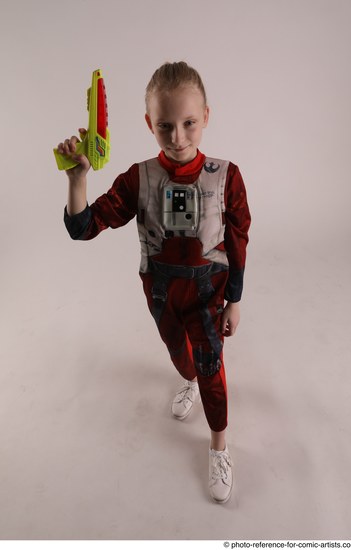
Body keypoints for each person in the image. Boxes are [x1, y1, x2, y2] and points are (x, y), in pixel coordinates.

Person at [57, 61, 251, 504]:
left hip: (208, 294)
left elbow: (238, 240)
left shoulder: (227, 177)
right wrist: (78, 180)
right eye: (165, 126)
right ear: (149, 123)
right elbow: (83, 226)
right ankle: (189, 379)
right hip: (162, 294)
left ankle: (219, 443)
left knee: (209, 365)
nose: (178, 138)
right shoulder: (138, 178)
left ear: (206, 117)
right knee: (182, 361)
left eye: (189, 124)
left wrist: (234, 300)